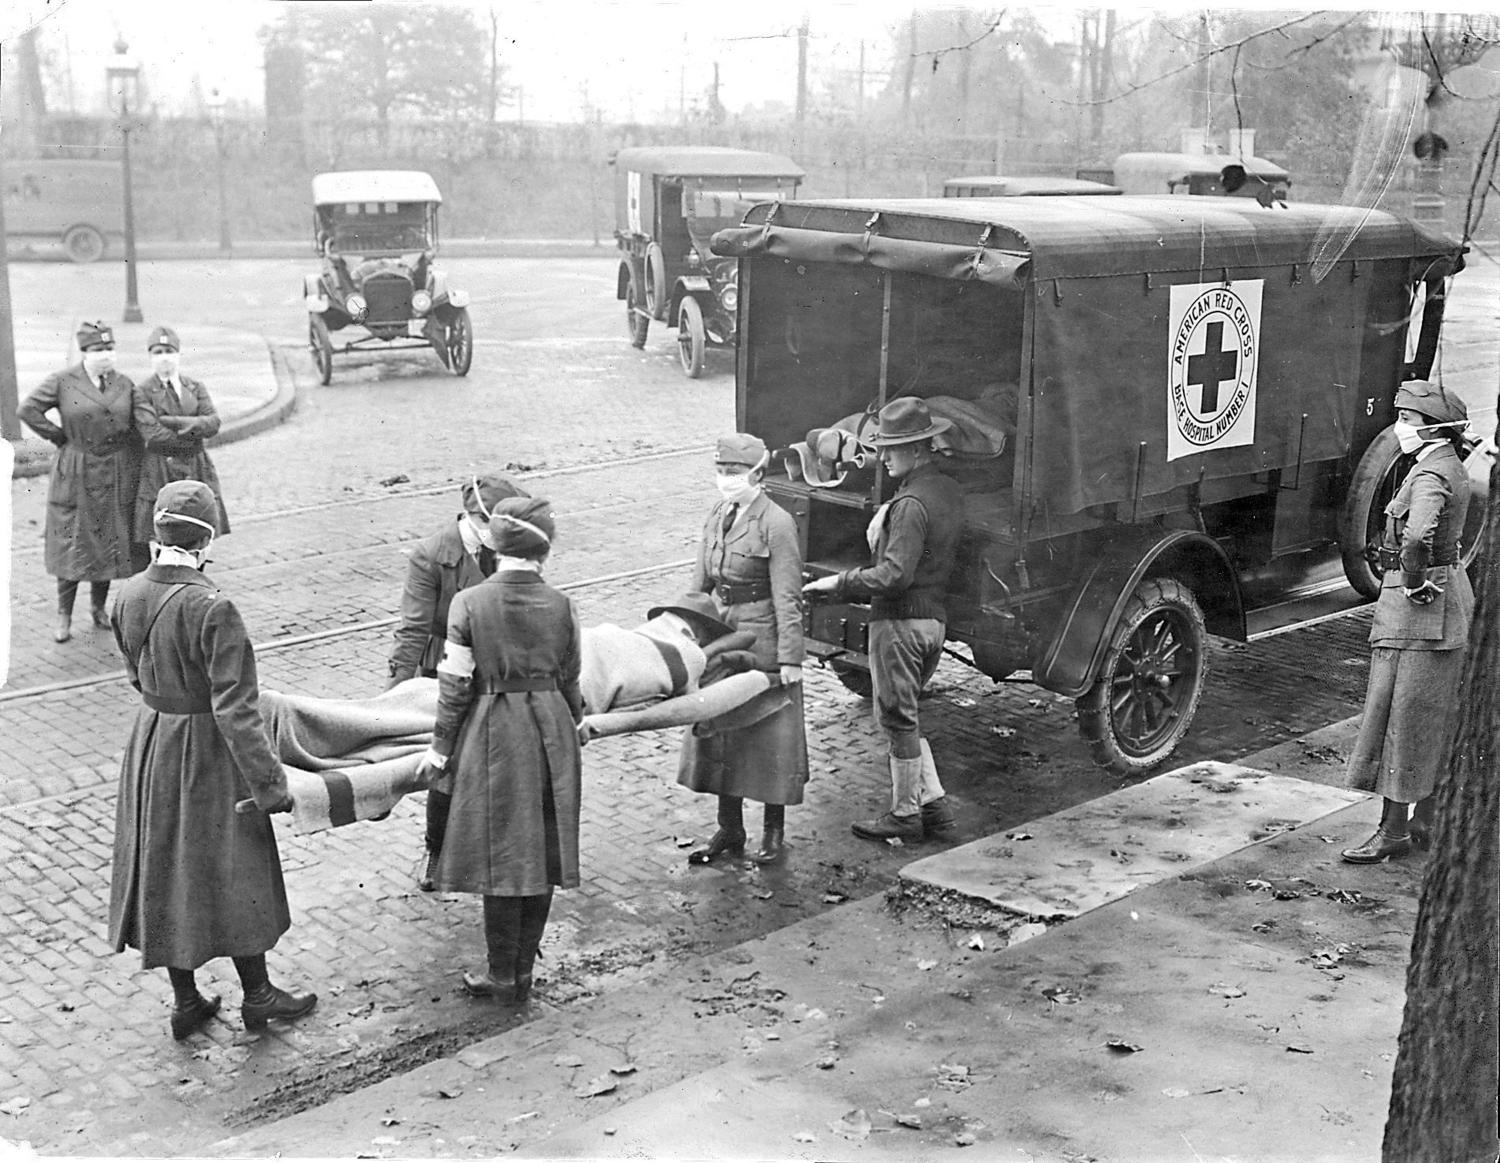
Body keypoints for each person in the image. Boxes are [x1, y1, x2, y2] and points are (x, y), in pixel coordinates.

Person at [108, 481, 316, 1038]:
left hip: (153, 743)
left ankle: (186, 1001)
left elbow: (134, 675)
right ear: (204, 541)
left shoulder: (125, 593)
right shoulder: (212, 606)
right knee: (233, 865)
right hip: (208, 752)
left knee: (166, 867)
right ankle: (260, 995)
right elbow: (238, 710)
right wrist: (270, 786)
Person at [415, 496, 583, 1005]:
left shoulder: (469, 603)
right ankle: (524, 972)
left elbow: (455, 686)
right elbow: (572, 677)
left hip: (494, 733)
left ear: (494, 543)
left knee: (502, 854)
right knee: (544, 850)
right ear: (544, 551)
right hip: (551, 730)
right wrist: (573, 722)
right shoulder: (562, 604)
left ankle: (501, 975)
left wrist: (442, 748)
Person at [802, 396, 964, 844]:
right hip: (932, 622)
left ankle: (905, 814)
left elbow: (894, 575)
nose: (883, 456)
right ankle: (937, 811)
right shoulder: (946, 490)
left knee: (896, 720)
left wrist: (839, 584)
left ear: (917, 450)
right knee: (906, 718)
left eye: (892, 448)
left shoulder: (911, 503)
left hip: (899, 625)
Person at [1342, 380, 1475, 863]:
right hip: (1447, 607)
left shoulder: (1428, 475)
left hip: (1418, 611)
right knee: (1431, 717)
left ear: (1435, 428)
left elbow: (1417, 535)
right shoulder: (1448, 466)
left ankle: (1393, 831)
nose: (1401, 428)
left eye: (1408, 420)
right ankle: (1426, 818)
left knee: (1400, 718)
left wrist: (1414, 580)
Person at [390, 472, 530, 892]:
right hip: (446, 668)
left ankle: (493, 845)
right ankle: (437, 850)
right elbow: (413, 628)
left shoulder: (507, 548)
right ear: (474, 517)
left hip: (499, 666)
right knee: (446, 763)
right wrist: (394, 692)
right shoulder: (432, 555)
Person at [679, 433, 808, 866]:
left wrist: (790, 658)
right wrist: (682, 630)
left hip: (762, 639)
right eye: (720, 471)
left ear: (756, 473)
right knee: (722, 734)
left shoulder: (777, 522)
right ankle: (729, 829)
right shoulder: (718, 513)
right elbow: (699, 585)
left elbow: (788, 595)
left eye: (733, 473)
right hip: (722, 632)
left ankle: (773, 832)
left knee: (770, 739)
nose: (725, 479)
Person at [19, 320, 143, 642]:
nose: (105, 355)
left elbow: (138, 423)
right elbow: (28, 409)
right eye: (98, 349)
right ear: (84, 352)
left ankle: (98, 608)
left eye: (109, 349)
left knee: (106, 541)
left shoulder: (124, 384)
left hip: (114, 472)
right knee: (72, 543)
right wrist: (60, 437)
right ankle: (64, 616)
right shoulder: (63, 381)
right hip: (76, 470)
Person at [132, 326, 230, 548]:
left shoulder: (194, 387)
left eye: (169, 351)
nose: (164, 358)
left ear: (178, 354)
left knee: (200, 527)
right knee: (161, 535)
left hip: (196, 466)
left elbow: (213, 422)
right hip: (160, 468)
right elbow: (153, 434)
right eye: (157, 353)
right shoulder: (142, 391)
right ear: (150, 357)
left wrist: (173, 422)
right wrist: (195, 430)